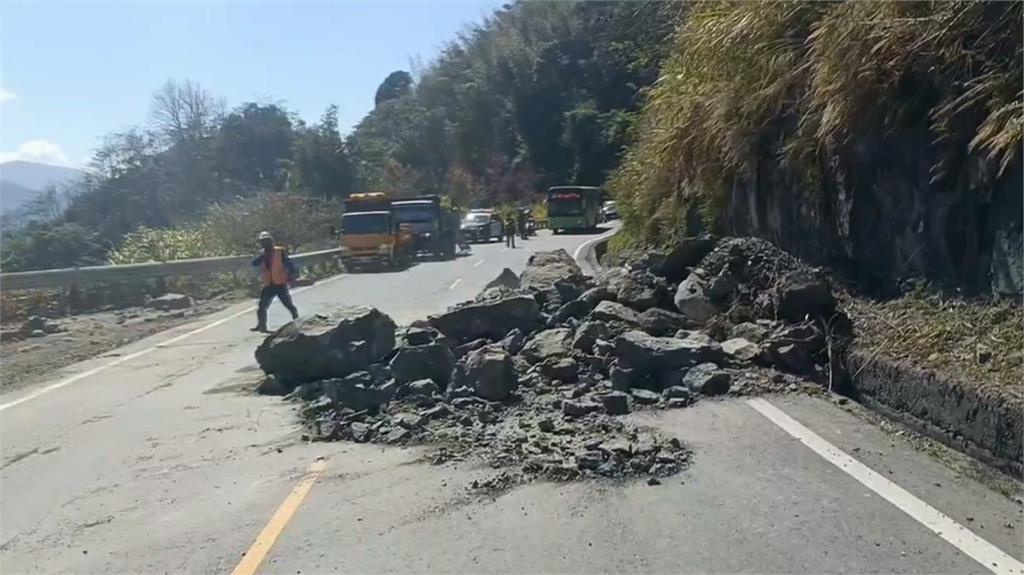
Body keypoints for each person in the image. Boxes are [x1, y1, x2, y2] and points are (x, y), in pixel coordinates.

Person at [251, 231, 299, 332]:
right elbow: (255, 263)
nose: (264, 244)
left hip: (280, 284)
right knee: (262, 306)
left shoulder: (279, 251)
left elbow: (289, 264)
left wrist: (290, 276)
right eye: (262, 242)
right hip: (269, 284)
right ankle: (261, 326)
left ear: (271, 241)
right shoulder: (262, 254)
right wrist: (261, 256)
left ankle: (298, 320)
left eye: (266, 241)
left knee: (288, 304)